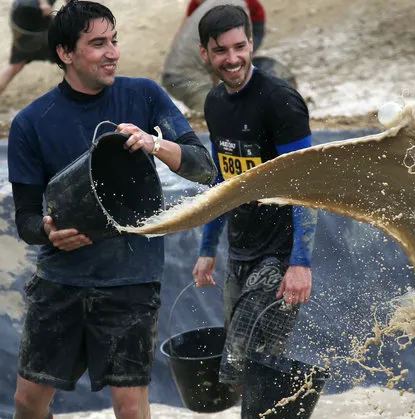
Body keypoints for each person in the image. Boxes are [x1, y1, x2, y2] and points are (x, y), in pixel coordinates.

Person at [7, 1, 217, 418]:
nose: (113, 52)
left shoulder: (143, 95)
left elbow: (204, 167)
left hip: (131, 279)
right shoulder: (31, 122)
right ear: (66, 53)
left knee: (131, 409)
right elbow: (26, 219)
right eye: (98, 43)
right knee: (27, 403)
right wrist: (48, 232)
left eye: (114, 40)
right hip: (60, 281)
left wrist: (156, 144)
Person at [190, 3, 317, 410]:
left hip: (278, 258)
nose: (232, 59)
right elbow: (220, 183)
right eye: (221, 50)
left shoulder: (280, 102)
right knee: (248, 374)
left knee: (242, 358)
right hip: (239, 253)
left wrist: (300, 263)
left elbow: (306, 187)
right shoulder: (214, 103)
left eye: (240, 47)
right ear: (205, 53)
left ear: (251, 43)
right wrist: (208, 249)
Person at [162, 0, 266, 112]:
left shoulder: (217, 7)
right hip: (185, 77)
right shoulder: (233, 8)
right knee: (215, 115)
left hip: (175, 74)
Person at [0, 0, 69, 97]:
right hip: (33, 13)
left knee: (17, 63)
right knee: (69, 55)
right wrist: (43, 3)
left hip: (20, 13)